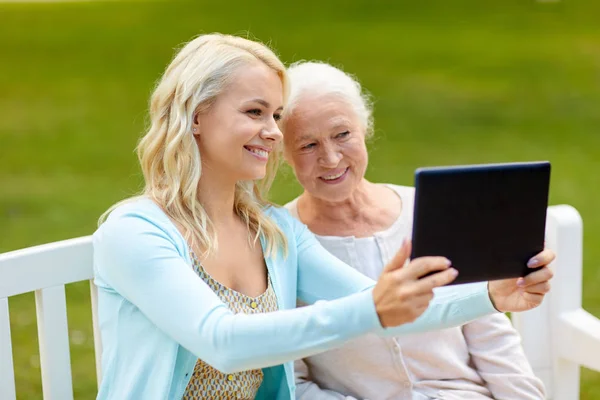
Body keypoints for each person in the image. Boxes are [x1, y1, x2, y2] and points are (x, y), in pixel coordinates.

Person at [92, 34, 555, 400]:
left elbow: (393, 306)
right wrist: (373, 307)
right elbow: (222, 342)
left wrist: (493, 296)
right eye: (255, 112)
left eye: (275, 114)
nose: (273, 132)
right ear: (196, 116)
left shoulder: (273, 231)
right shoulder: (135, 232)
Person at [280, 61, 548, 400]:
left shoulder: (432, 210)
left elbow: (491, 335)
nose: (331, 158)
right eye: (308, 145)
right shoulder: (279, 243)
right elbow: (294, 383)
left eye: (342, 134)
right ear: (283, 152)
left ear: (364, 129)